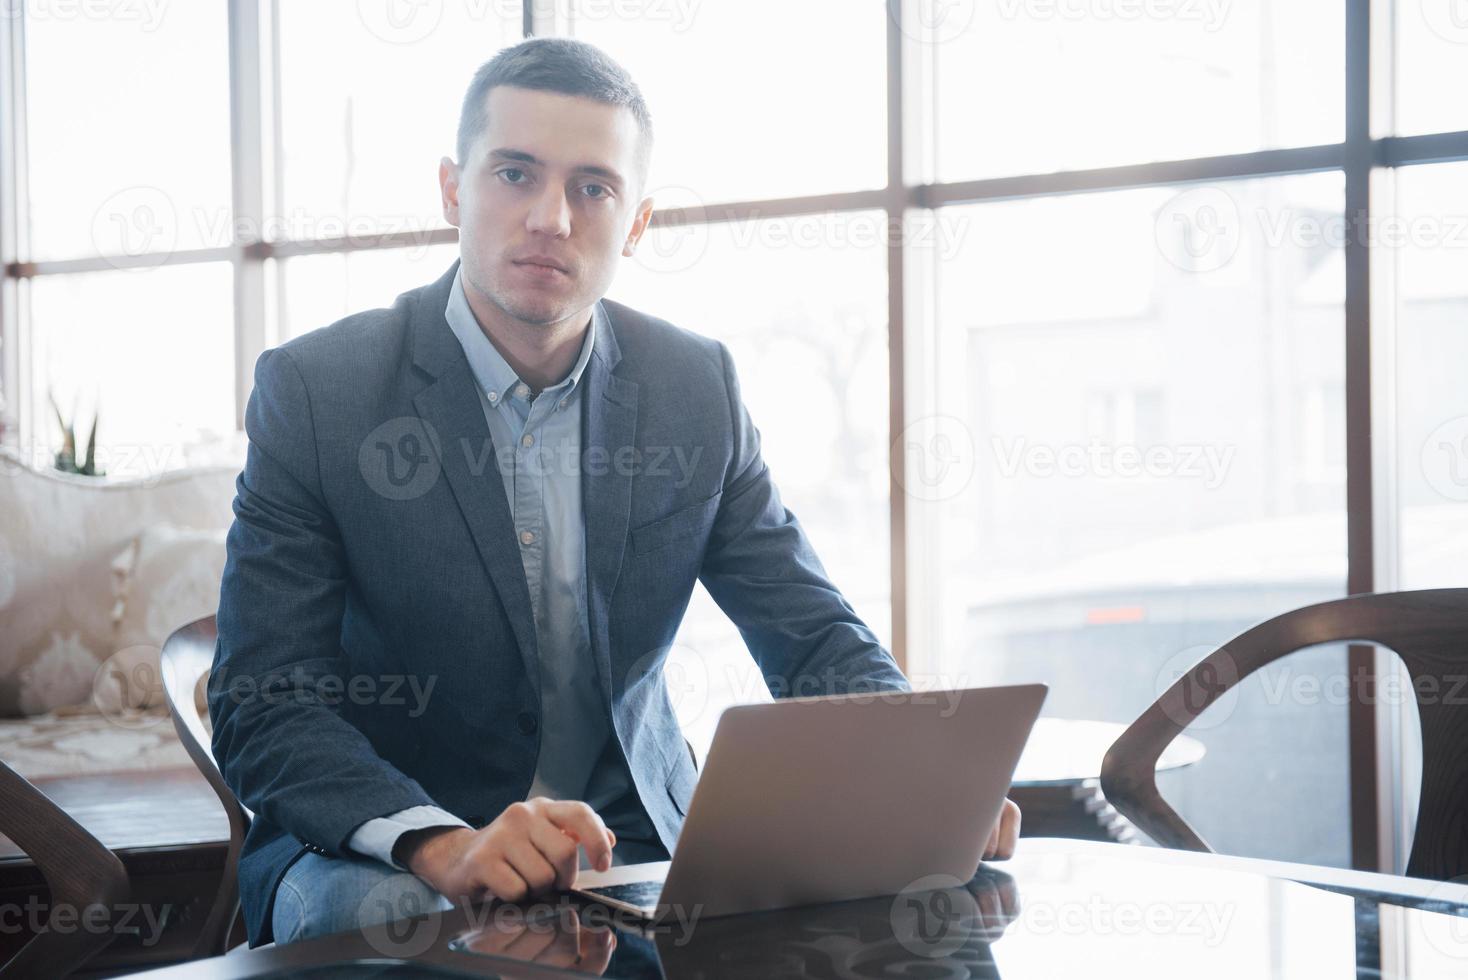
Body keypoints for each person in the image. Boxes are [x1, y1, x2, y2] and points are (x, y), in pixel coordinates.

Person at [211, 36, 1021, 948]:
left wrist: (925, 770)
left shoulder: (693, 386)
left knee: (928, 915)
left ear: (636, 222)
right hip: (384, 857)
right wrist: (440, 844)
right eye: (514, 173)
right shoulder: (321, 393)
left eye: (593, 187)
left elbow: (809, 631)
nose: (551, 217)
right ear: (453, 188)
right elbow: (266, 702)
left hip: (638, 843)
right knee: (412, 927)